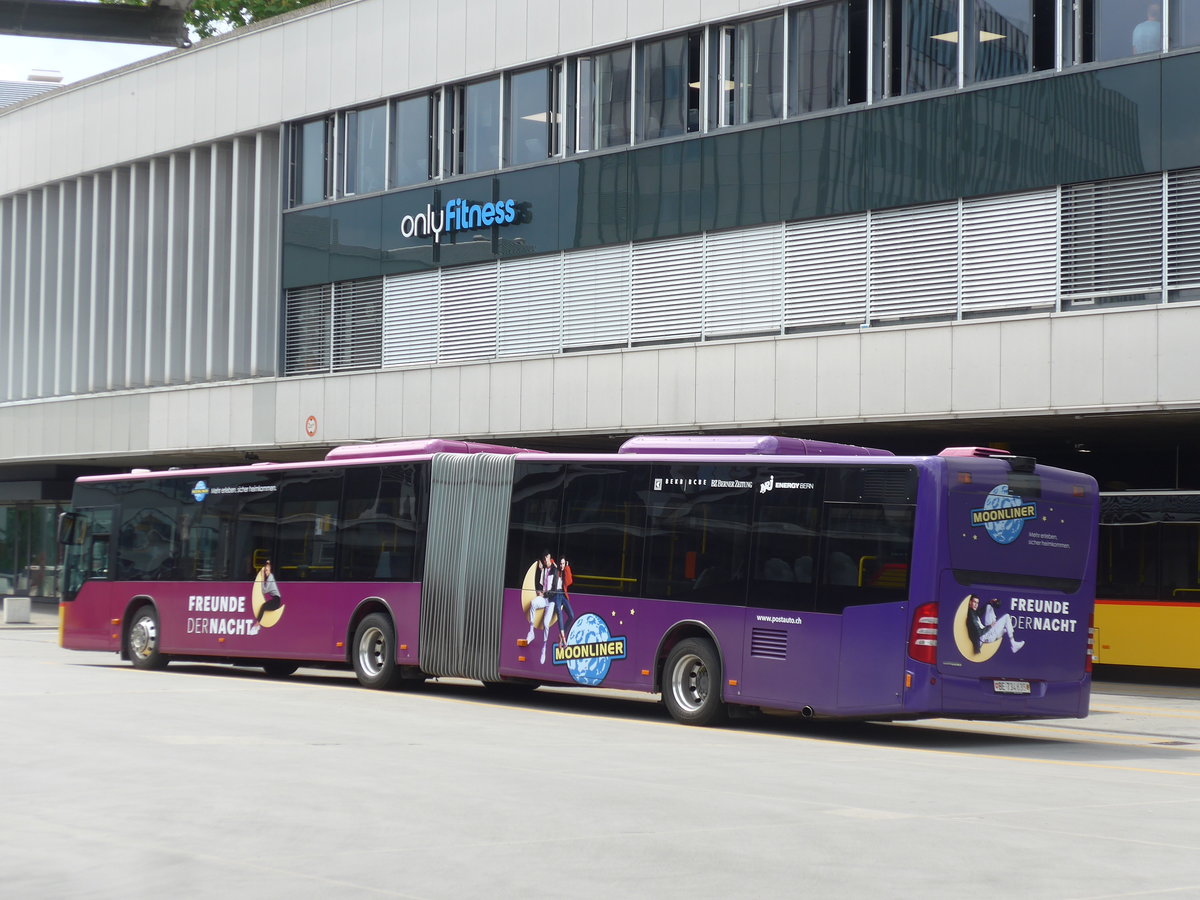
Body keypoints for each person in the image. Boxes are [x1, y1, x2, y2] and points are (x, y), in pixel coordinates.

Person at [525, 551, 573, 664]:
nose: (545, 561)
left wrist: (566, 566)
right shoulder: (545, 570)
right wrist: (539, 591)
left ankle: (544, 647)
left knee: (547, 623)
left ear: (549, 558)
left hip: (552, 599)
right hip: (545, 597)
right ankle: (531, 632)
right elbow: (542, 584)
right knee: (533, 603)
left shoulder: (555, 570)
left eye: (547, 558)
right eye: (544, 559)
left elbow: (560, 586)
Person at [255, 560, 283, 624]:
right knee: (264, 606)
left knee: (263, 607)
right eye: (265, 571)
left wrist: (262, 578)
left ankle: (257, 624)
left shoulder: (270, 577)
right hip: (275, 600)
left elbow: (264, 591)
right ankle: (257, 624)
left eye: (267, 570)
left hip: (276, 601)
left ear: (270, 570)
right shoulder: (269, 577)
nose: (266, 572)